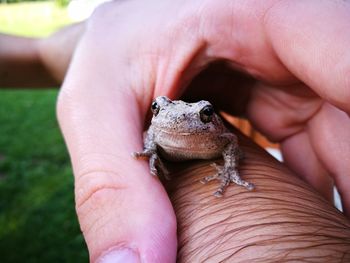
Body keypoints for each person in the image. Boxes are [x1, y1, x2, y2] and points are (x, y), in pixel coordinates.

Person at [1, 0, 350, 262]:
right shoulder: (160, 123)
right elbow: (153, 130)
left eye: (205, 114)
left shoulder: (215, 132)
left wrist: (230, 169)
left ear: (209, 116)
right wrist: (151, 147)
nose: (173, 118)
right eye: (157, 107)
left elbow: (229, 141)